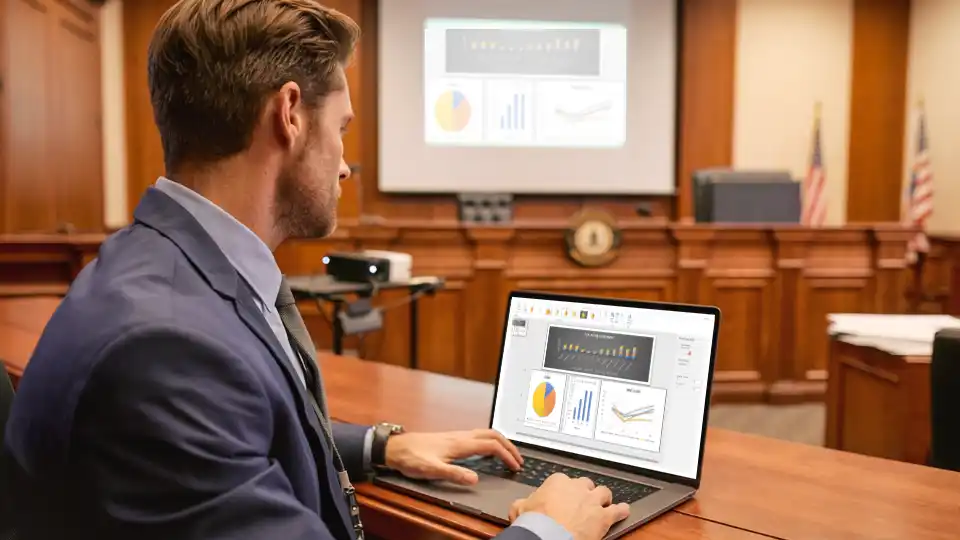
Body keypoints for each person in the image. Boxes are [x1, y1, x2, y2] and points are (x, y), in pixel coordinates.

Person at [0, 1, 630, 539]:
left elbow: (229, 422)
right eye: (343, 130)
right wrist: (547, 529)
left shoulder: (163, 263)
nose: (346, 166)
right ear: (291, 114)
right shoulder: (163, 350)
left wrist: (379, 447)